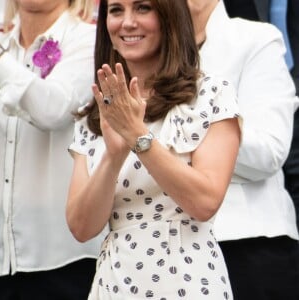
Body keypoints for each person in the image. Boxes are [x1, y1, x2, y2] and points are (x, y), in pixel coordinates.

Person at [66, 0, 241, 298]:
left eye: (143, 8)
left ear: (169, 15)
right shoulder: (95, 113)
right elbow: (82, 228)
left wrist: (138, 136)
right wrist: (114, 155)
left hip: (188, 280)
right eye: (116, 10)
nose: (127, 22)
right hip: (115, 282)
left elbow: (205, 202)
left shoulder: (210, 94)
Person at [187, 0, 299, 299]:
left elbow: (269, 152)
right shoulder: (138, 49)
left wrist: (181, 129)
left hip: (247, 242)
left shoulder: (255, 39)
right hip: (158, 252)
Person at [0, 0, 106, 299]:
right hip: (4, 258)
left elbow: (54, 110)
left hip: (64, 256)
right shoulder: (5, 43)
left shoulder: (88, 40)